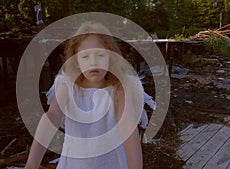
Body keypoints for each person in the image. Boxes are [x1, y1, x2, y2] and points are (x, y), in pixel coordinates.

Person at [24, 22, 152, 169]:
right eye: (85, 56)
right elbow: (53, 115)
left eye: (100, 55)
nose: (93, 62)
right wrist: (31, 164)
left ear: (110, 58)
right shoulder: (67, 86)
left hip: (111, 163)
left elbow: (128, 126)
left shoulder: (119, 88)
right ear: (76, 61)